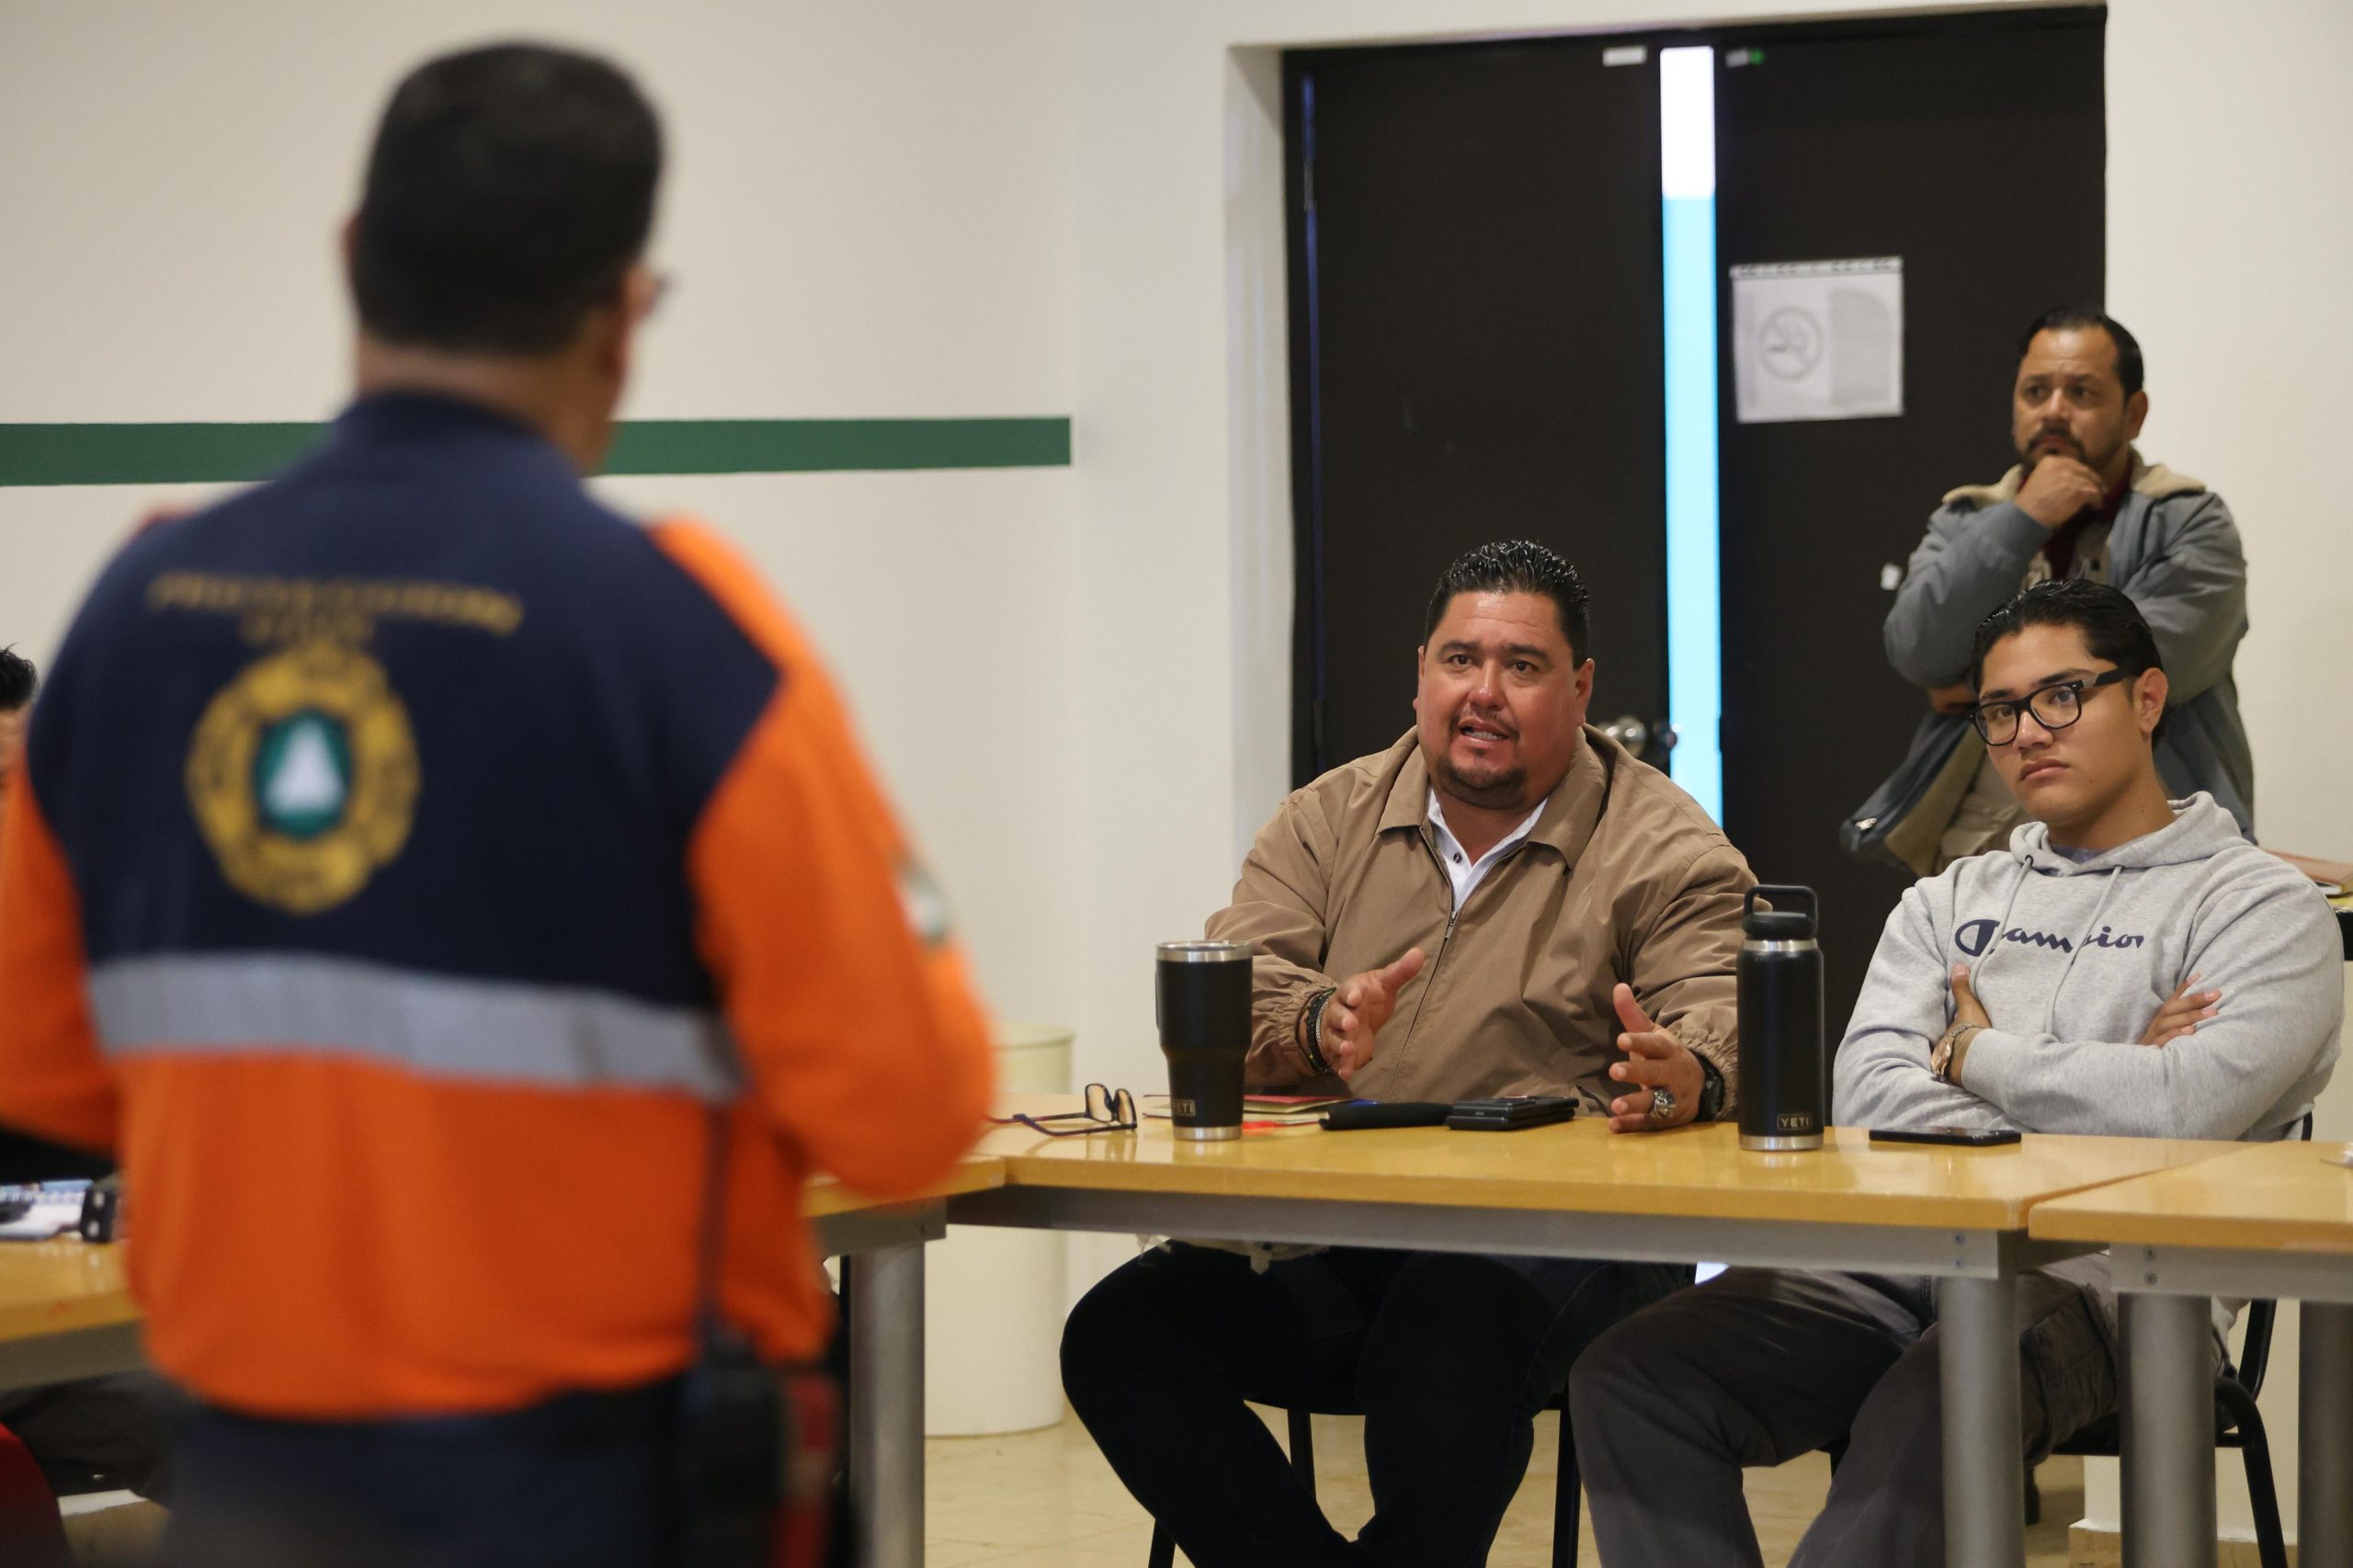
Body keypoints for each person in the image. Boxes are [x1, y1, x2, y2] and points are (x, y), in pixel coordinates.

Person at [0, 42, 993, 1568]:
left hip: (254, 1485)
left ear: (351, 257)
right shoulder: (679, 635)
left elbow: (41, 1060)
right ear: (624, 312)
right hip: (596, 1490)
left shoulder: (143, 609)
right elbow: (909, 1109)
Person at [1572, 580, 2341, 1568]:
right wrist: (2114, 1084)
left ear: (2147, 698)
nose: (2027, 733)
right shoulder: (1946, 900)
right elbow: (1868, 1090)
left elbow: (2184, 1104)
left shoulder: (2261, 907)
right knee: (1634, 1376)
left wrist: (1974, 1052)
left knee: (1944, 1397)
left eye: (2062, 695)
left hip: (2120, 1285)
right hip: (1893, 1256)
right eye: (2000, 710)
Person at [1062, 540, 1756, 1567]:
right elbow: (1243, 976)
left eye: (1522, 666)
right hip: (1335, 1233)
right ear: (1420, 672)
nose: (1484, 693)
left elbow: (1724, 1004)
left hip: (1562, 1245)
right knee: (1119, 1336)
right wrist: (1315, 1020)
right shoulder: (1327, 816)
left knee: (1444, 1328)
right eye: (1459, 660)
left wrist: (1689, 1069)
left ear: (1580, 689)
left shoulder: (1664, 845)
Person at [1868, 308, 2251, 873]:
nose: (2053, 410)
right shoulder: (1966, 518)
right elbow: (1917, 649)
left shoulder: (2190, 520)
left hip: (2157, 849)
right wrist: (2023, 519)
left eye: (2081, 392)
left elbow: (2152, 664)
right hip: (1985, 845)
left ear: (2134, 413)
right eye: (2035, 392)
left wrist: (1974, 686)